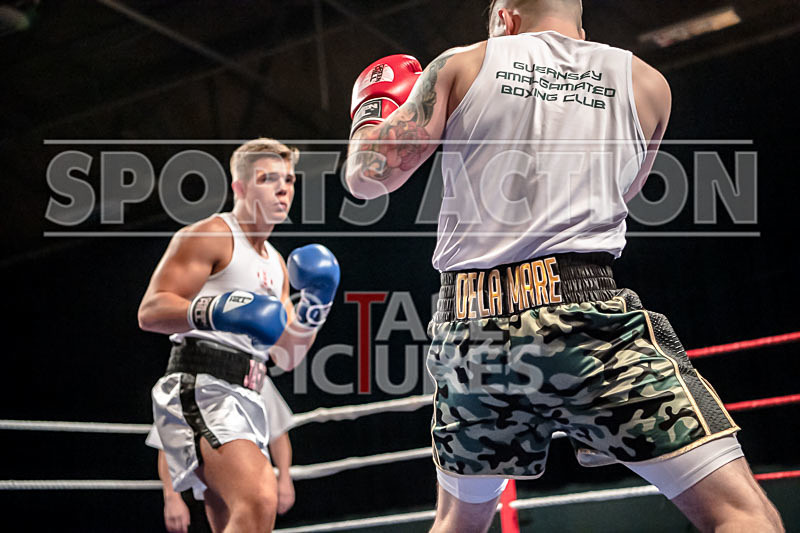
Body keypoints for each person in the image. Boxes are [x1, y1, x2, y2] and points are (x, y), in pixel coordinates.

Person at [345, 1, 783, 532]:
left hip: (473, 327)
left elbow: (368, 180)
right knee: (742, 513)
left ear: (505, 18)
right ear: (580, 25)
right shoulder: (647, 83)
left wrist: (371, 113)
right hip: (586, 315)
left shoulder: (462, 63)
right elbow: (625, 192)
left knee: (459, 521)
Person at [139, 137, 340, 532]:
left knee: (237, 518)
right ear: (240, 188)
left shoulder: (278, 265)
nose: (284, 188)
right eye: (269, 179)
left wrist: (315, 307)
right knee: (260, 495)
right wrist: (217, 310)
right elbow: (150, 311)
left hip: (248, 395)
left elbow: (286, 354)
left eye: (289, 180)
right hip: (202, 384)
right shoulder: (212, 235)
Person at [146, 376, 296, 532]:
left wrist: (285, 478)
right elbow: (166, 444)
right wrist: (172, 497)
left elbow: (278, 434)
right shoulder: (184, 381)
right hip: (210, 483)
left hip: (256, 477)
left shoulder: (256, 375)